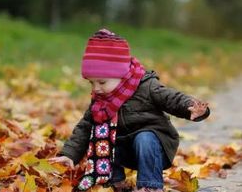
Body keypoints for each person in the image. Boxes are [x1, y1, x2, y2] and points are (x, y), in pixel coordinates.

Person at [49, 29, 210, 192]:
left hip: (154, 147)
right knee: (103, 137)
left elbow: (171, 98)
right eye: (92, 83)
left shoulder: (147, 86)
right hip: (125, 149)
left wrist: (189, 107)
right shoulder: (101, 99)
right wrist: (69, 154)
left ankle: (150, 185)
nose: (96, 88)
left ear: (122, 75)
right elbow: (85, 127)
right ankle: (114, 183)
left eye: (102, 82)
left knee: (144, 137)